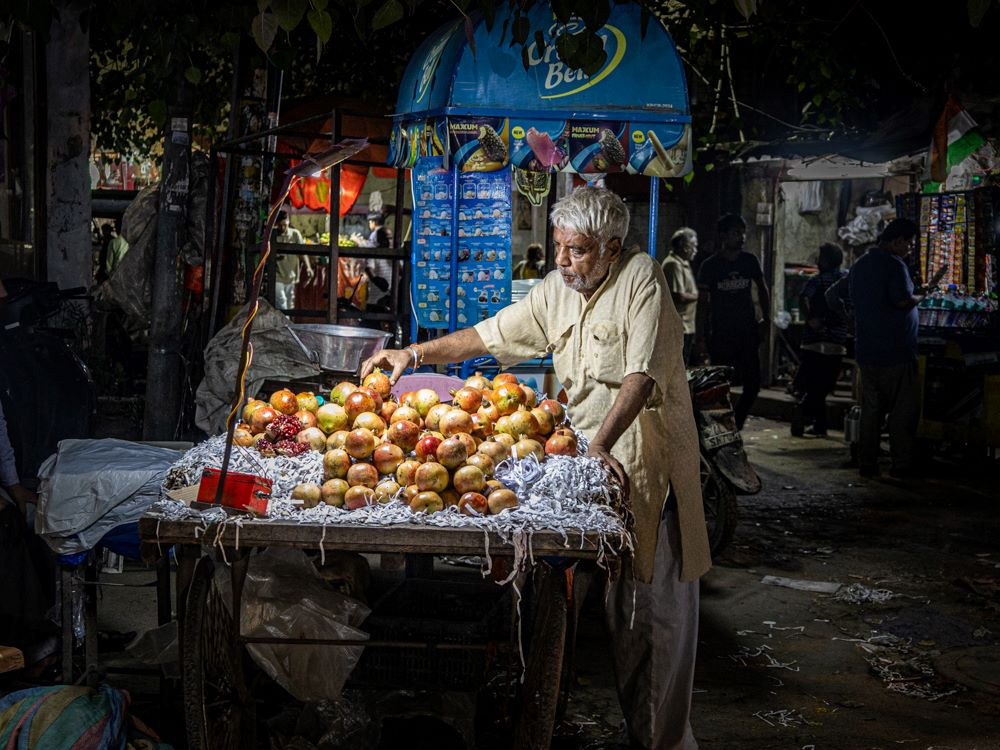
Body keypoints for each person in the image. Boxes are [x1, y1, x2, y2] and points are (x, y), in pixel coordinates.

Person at [361, 187, 710, 750]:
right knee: (553, 600)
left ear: (612, 248)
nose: (562, 261)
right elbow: (490, 334)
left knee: (648, 622)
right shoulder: (556, 290)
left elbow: (640, 377)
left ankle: (663, 743)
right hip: (583, 468)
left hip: (644, 470)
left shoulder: (641, 277)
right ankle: (543, 716)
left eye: (577, 251)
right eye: (559, 247)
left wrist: (599, 445)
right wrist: (415, 354)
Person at [848, 218, 946, 478]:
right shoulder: (894, 264)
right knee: (903, 412)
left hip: (867, 351)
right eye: (909, 244)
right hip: (895, 352)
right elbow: (902, 301)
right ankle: (901, 465)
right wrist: (923, 295)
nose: (910, 250)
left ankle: (867, 463)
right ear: (897, 241)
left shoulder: (860, 265)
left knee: (871, 411)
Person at [696, 214, 771, 429]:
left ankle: (736, 423)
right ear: (723, 236)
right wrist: (700, 336)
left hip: (747, 331)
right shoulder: (710, 266)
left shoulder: (749, 261)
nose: (741, 237)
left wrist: (766, 318)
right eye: (736, 232)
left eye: (742, 232)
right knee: (720, 384)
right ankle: (721, 426)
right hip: (720, 333)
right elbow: (703, 304)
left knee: (753, 384)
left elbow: (762, 289)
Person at [792, 242, 848, 436]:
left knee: (813, 384)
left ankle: (802, 415)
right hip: (836, 342)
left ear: (824, 260)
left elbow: (803, 298)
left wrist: (811, 319)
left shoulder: (816, 281)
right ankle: (819, 424)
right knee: (824, 385)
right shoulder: (846, 279)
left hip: (814, 341)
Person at [662, 228, 699, 363]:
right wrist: (697, 296)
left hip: (687, 325)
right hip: (679, 326)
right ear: (684, 247)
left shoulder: (684, 264)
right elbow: (678, 296)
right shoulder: (673, 264)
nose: (696, 250)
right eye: (693, 246)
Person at [273, 210, 313, 310]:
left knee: (290, 304)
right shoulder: (273, 235)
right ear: (276, 224)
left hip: (292, 275)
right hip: (277, 276)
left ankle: (289, 325)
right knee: (282, 304)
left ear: (288, 222)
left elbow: (302, 252)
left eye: (285, 225)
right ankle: (285, 325)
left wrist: (308, 267)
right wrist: (275, 257)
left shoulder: (295, 234)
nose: (282, 228)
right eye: (280, 225)